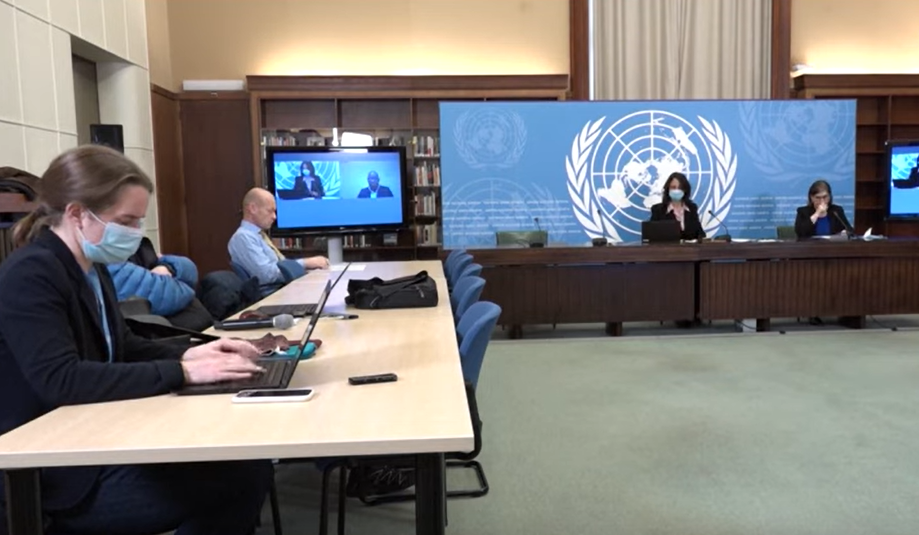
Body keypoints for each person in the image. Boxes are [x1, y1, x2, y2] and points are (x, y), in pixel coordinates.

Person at [0, 145, 272, 535]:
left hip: (95, 439)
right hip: (57, 477)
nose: (134, 233)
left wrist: (195, 353)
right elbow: (62, 379)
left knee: (244, 464)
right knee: (238, 477)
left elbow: (123, 346)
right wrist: (182, 373)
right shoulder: (31, 274)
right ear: (77, 214)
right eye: (125, 221)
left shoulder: (91, 268)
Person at [228, 188, 329, 296]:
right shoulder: (243, 237)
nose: (274, 217)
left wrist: (306, 269)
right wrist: (306, 263)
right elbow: (266, 275)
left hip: (282, 290)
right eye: (270, 211)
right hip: (274, 295)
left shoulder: (259, 236)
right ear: (253, 209)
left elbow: (281, 265)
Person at [108, 237, 213, 331]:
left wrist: (168, 267)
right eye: (127, 222)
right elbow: (165, 294)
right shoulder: (106, 260)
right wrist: (176, 278)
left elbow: (188, 269)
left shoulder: (138, 245)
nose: (136, 228)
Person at [648, 172, 706, 241]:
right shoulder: (658, 210)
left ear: (685, 190)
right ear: (668, 189)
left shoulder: (692, 208)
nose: (676, 190)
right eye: (673, 187)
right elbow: (652, 237)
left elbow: (700, 234)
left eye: (680, 188)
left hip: (689, 248)